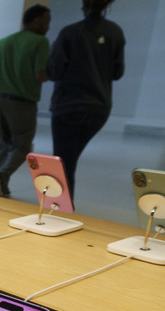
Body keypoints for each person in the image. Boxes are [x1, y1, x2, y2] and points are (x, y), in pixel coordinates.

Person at [47, 0, 125, 198]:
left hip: (68, 106)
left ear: (84, 5)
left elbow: (54, 71)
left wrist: (53, 51)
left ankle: (60, 211)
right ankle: (62, 209)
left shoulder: (69, 33)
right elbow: (117, 72)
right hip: (99, 108)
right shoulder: (115, 32)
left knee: (63, 163)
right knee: (68, 162)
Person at [0, 4, 51, 198]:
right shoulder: (40, 42)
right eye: (46, 21)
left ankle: (0, 187)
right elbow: (40, 75)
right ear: (36, 21)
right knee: (22, 145)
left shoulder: (4, 42)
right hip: (23, 103)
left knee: (3, 144)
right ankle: (0, 175)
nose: (48, 25)